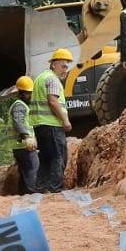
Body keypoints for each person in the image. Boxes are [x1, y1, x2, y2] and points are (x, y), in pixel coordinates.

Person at [28, 48, 74, 192]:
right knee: (58, 157)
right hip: (52, 125)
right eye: (63, 66)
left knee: (46, 158)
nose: (65, 69)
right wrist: (65, 120)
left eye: (67, 66)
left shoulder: (40, 78)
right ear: (54, 64)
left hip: (39, 125)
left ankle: (40, 187)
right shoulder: (53, 79)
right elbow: (53, 101)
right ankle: (56, 188)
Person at [9, 75, 39, 193]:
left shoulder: (21, 105)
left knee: (25, 170)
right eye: (28, 93)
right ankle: (32, 192)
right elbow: (18, 121)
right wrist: (27, 137)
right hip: (23, 144)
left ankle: (24, 193)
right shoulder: (19, 105)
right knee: (33, 167)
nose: (30, 96)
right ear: (21, 93)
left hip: (19, 145)